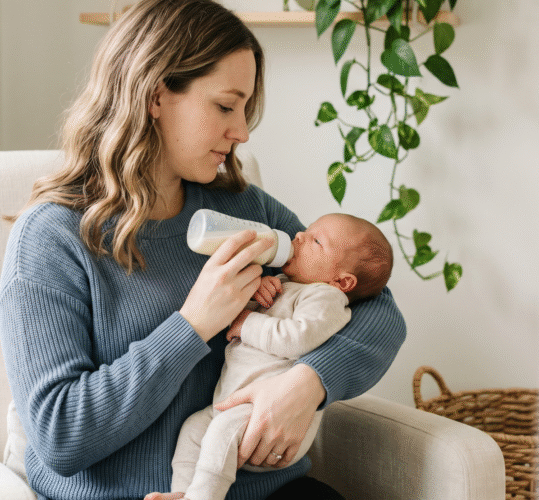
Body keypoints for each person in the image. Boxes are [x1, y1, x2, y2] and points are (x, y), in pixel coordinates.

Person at [0, 0, 406, 500]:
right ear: (155, 96)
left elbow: (377, 308)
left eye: (246, 109)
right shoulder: (52, 238)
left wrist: (309, 382)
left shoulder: (245, 209)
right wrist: (194, 324)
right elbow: (60, 435)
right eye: (225, 106)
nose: (242, 132)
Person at [167, 213, 394, 500]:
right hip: (231, 404)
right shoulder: (287, 282)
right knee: (194, 429)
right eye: (306, 231)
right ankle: (183, 492)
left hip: (266, 422)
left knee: (220, 433)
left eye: (315, 240)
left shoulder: (326, 299)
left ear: (342, 281)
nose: (298, 236)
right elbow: (249, 314)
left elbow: (295, 338)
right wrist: (256, 291)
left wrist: (247, 322)